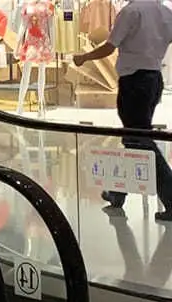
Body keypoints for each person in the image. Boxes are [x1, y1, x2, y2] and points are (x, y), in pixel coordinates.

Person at [73, 0, 172, 222]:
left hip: (134, 81)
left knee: (139, 139)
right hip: (154, 78)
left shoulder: (131, 11)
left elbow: (110, 46)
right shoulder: (165, 12)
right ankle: (117, 193)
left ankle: (170, 197)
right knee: (133, 138)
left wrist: (84, 57)